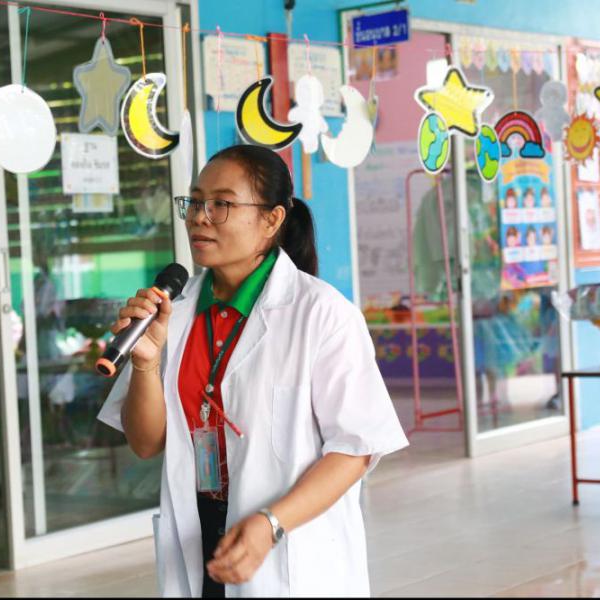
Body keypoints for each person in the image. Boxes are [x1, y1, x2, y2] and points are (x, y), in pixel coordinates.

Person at [97, 144, 408, 597]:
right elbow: (146, 443)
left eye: (221, 204)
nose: (200, 217)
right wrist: (146, 364)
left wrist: (271, 523)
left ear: (271, 219)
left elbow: (355, 449)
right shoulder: (174, 314)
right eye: (194, 202)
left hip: (286, 541)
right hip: (200, 532)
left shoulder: (321, 314)